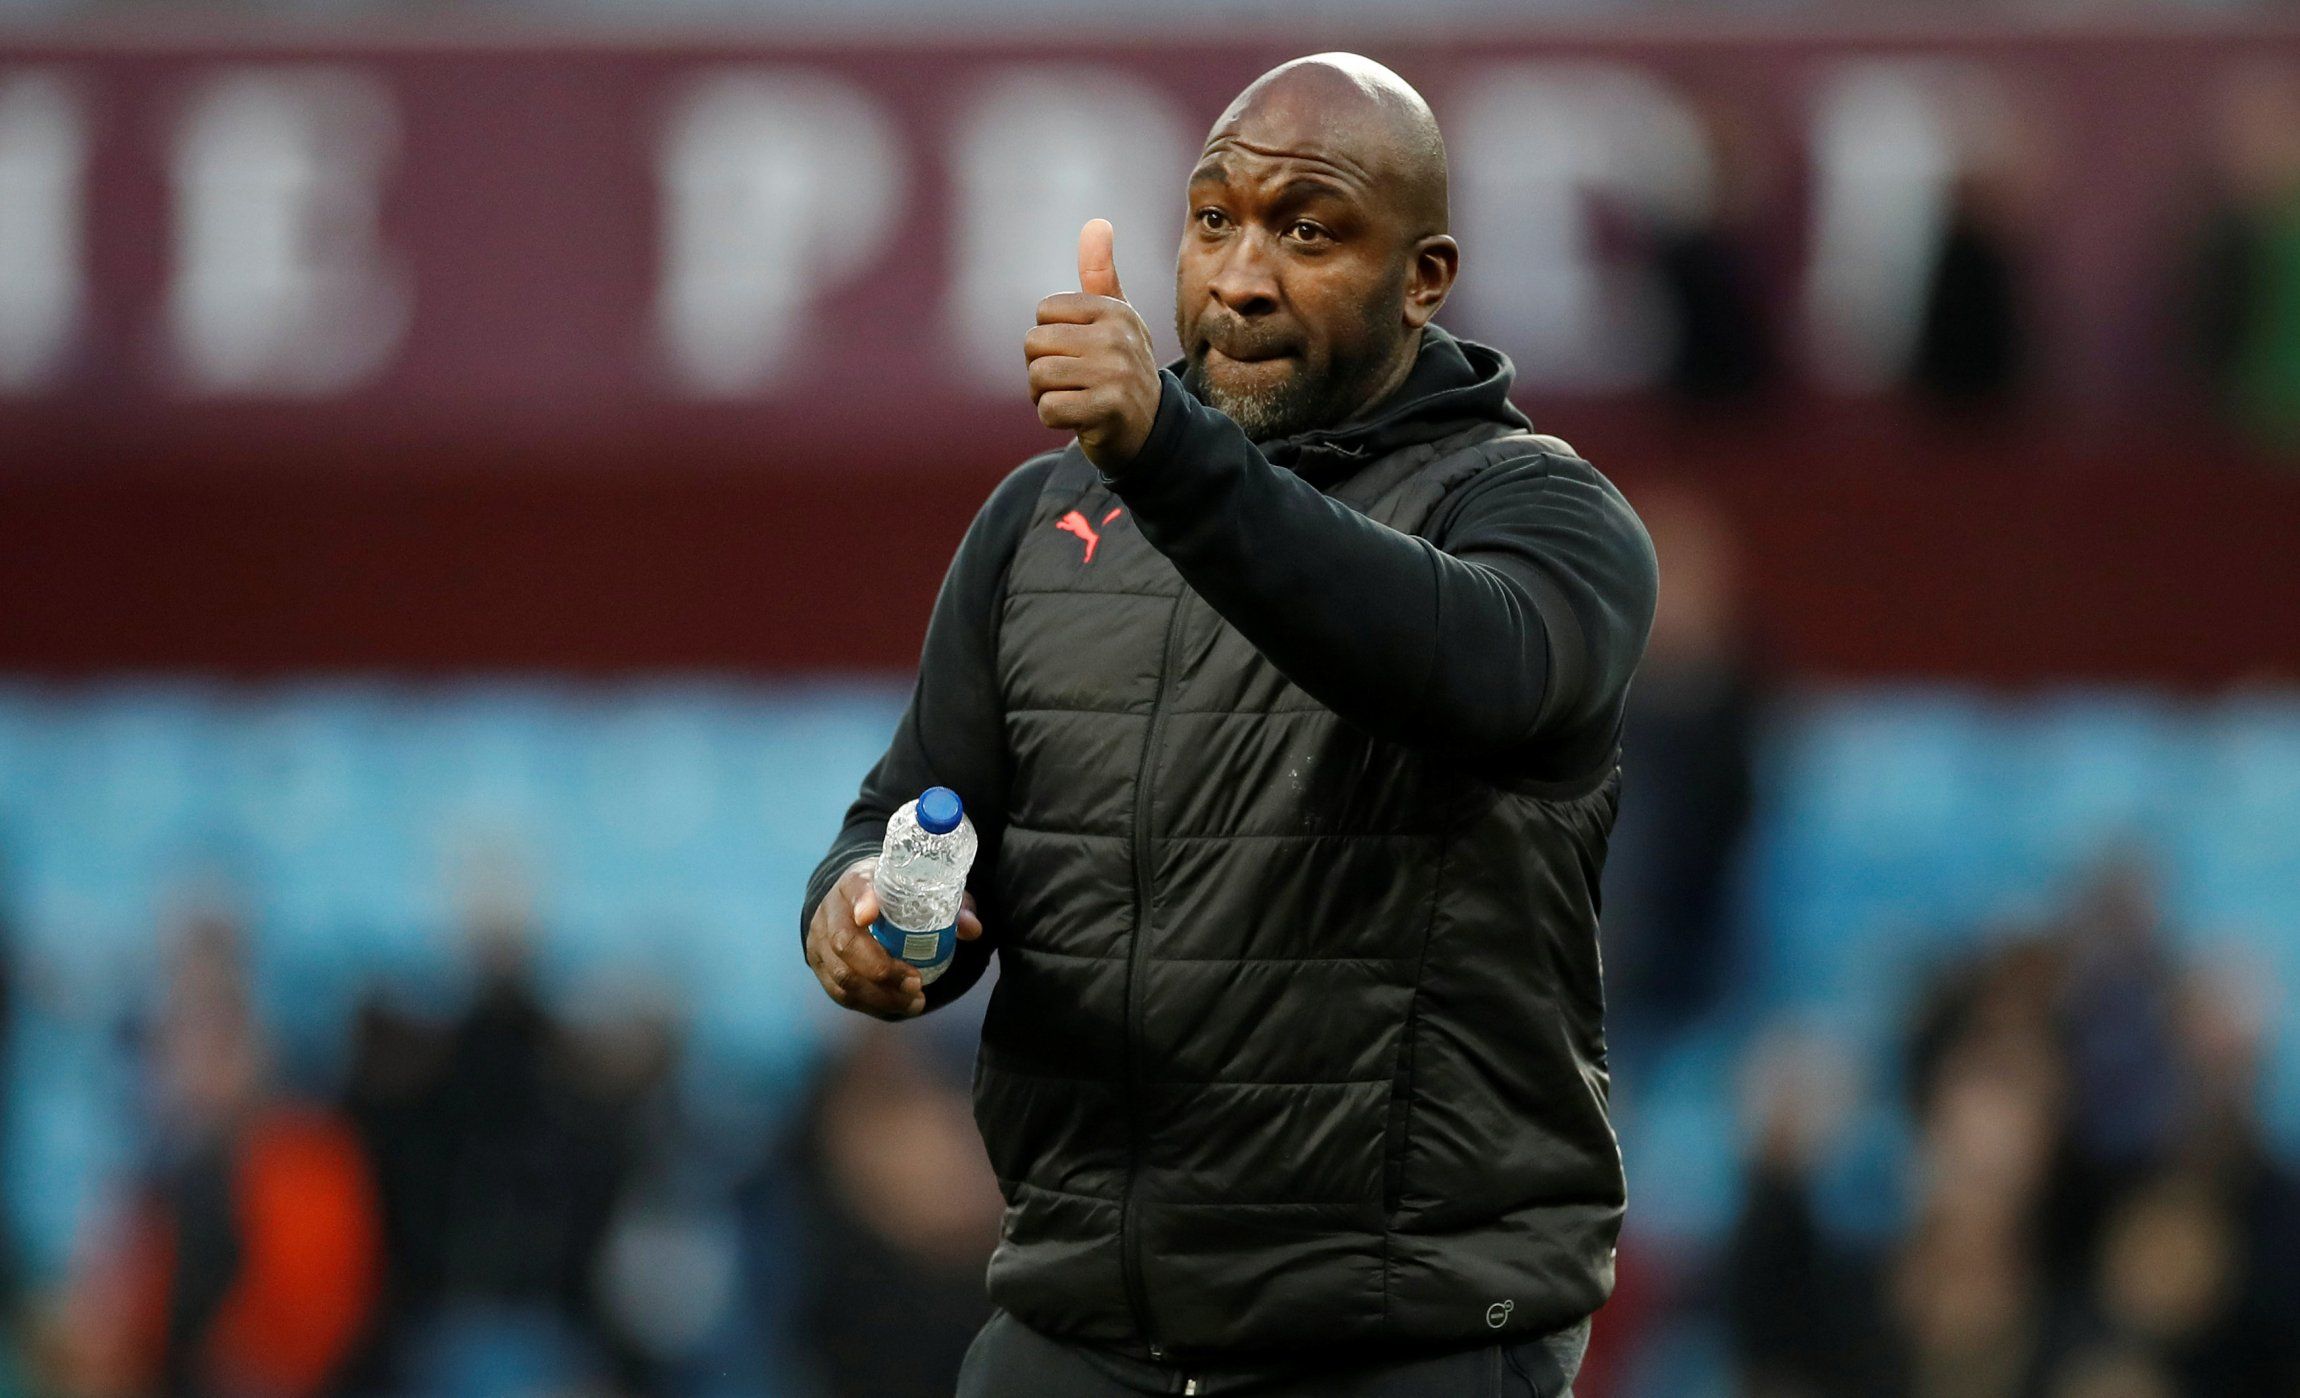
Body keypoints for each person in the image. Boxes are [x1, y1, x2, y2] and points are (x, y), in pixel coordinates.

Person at [800, 53, 1656, 1396]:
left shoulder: (1544, 518)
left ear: (1423, 278)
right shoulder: (1040, 524)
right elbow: (909, 811)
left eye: (1308, 232)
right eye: (1214, 221)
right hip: (1078, 1320)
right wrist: (857, 914)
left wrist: (1165, 456)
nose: (1241, 278)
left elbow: (1454, 670)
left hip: (1401, 1339)